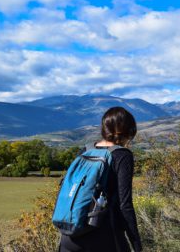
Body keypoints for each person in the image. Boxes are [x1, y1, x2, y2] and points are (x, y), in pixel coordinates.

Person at [60, 107, 142, 252]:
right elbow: (125, 205)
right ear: (129, 130)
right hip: (103, 235)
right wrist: (136, 244)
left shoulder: (86, 150)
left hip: (70, 234)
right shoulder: (122, 155)